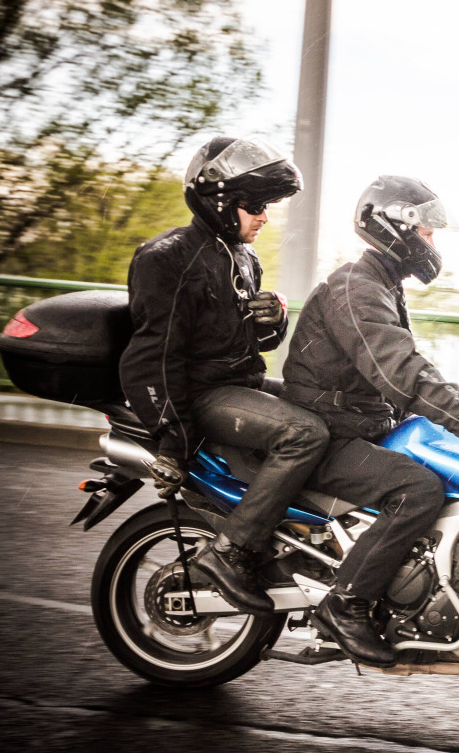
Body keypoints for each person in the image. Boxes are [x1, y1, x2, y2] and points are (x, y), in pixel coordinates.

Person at [282, 175, 459, 666]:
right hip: (331, 433)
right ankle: (346, 603)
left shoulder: (378, 283)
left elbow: (406, 373)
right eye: (427, 232)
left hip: (359, 424)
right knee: (419, 490)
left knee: (444, 463)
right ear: (397, 226)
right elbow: (402, 374)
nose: (431, 243)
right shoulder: (357, 287)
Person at [118, 136, 330, 615]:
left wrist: (273, 324)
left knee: (326, 408)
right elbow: (154, 354)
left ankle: (304, 539)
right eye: (254, 205)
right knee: (304, 433)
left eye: (266, 206)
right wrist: (172, 437)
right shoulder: (167, 257)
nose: (264, 216)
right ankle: (230, 551)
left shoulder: (242, 256)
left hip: (239, 385)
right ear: (219, 201)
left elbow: (247, 344)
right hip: (201, 395)